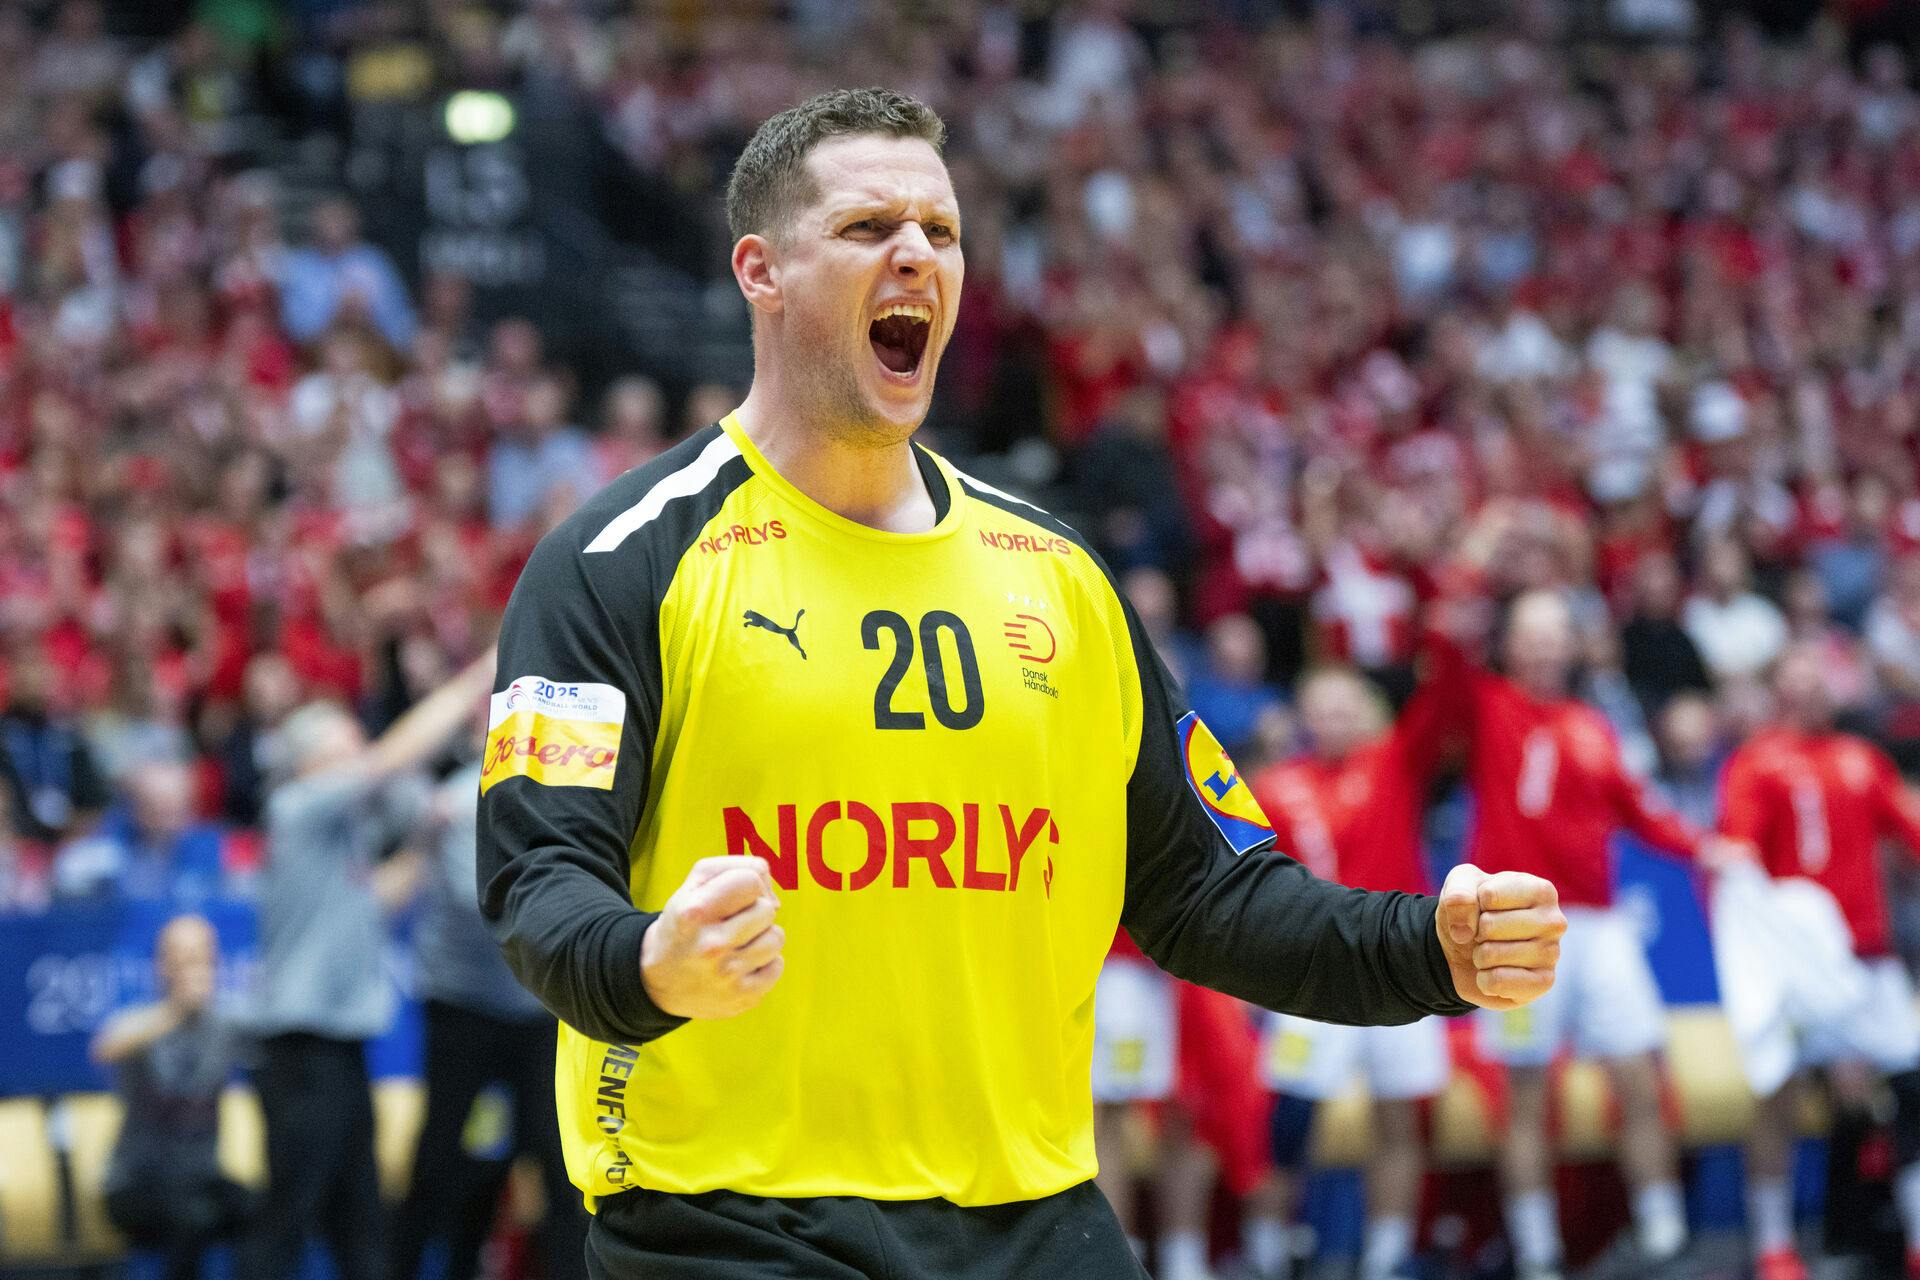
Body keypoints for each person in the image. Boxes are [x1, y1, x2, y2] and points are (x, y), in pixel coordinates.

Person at [475, 87, 1566, 1280]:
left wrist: (1430, 951)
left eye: (940, 232)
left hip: (1034, 1215)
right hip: (730, 1221)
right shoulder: (616, 560)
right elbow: (537, 879)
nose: (916, 254)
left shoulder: (1060, 574)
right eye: (866, 227)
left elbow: (1208, 891)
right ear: (760, 271)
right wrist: (646, 963)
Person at [1460, 589, 1742, 1279]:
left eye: (1558, 634)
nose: (1547, 648)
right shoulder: (1486, 705)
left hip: (1600, 925)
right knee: (1524, 1092)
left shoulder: (1593, 726)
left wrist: (1705, 847)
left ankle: (1663, 1235)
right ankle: (1537, 1254)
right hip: (1514, 923)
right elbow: (1446, 646)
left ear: (1576, 646)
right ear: (1509, 644)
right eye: (1533, 635)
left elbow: (1640, 809)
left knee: (1639, 1076)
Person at [248, 656, 493, 1280]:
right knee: (287, 1224)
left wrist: (420, 844)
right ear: (310, 765)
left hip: (342, 1053)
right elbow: (391, 760)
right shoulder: (296, 807)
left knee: (361, 1226)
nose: (362, 764)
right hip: (301, 1051)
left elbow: (373, 901)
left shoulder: (337, 837)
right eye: (345, 752)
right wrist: (470, 682)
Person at [1248, 650, 1466, 1280]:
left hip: (1402, 968)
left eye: (1348, 706)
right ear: (1303, 716)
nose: (1335, 719)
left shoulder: (1394, 762)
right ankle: (1268, 1254)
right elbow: (1251, 885)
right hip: (1311, 976)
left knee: (1400, 1115)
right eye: (1323, 707)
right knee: (1288, 1121)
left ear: (1368, 713)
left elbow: (1445, 705)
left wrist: (1453, 631)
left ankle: (1386, 1257)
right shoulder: (1274, 786)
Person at [1719, 645, 1920, 1280]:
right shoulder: (1758, 764)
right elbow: (1738, 849)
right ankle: (1774, 1245)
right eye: (1795, 680)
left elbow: (1909, 835)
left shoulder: (1862, 760)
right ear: (1777, 689)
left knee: (1910, 1086)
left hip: (1867, 960)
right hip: (1794, 971)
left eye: (1817, 680)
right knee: (1776, 1096)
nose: (1807, 691)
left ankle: (1910, 1233)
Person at [389, 723, 586, 1280]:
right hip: (462, 1004)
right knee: (442, 1152)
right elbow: (488, 908)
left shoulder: (559, 797)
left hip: (535, 1009)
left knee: (554, 1154)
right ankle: (406, 1265)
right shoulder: (457, 804)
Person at [91, 914, 252, 1280]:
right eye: (182, 958)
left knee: (261, 1210)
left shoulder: (225, 1024)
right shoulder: (141, 1022)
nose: (193, 969)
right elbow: (106, 1048)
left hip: (201, 1177)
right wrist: (177, 1011)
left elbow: (273, 1030)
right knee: (192, 1218)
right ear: (162, 965)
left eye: (202, 958)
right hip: (135, 1184)